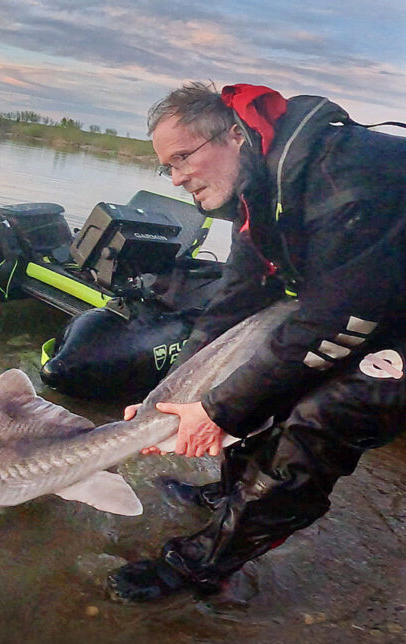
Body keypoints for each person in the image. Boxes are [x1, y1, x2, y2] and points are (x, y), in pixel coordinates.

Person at [105, 82, 406, 602]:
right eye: (166, 168)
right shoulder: (264, 188)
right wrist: (168, 400)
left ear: (236, 135)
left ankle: (202, 567)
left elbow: (333, 322)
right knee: (256, 368)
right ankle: (233, 493)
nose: (176, 179)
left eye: (182, 158)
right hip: (378, 298)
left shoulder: (347, 176)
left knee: (324, 414)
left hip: (373, 312)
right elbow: (234, 302)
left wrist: (218, 411)